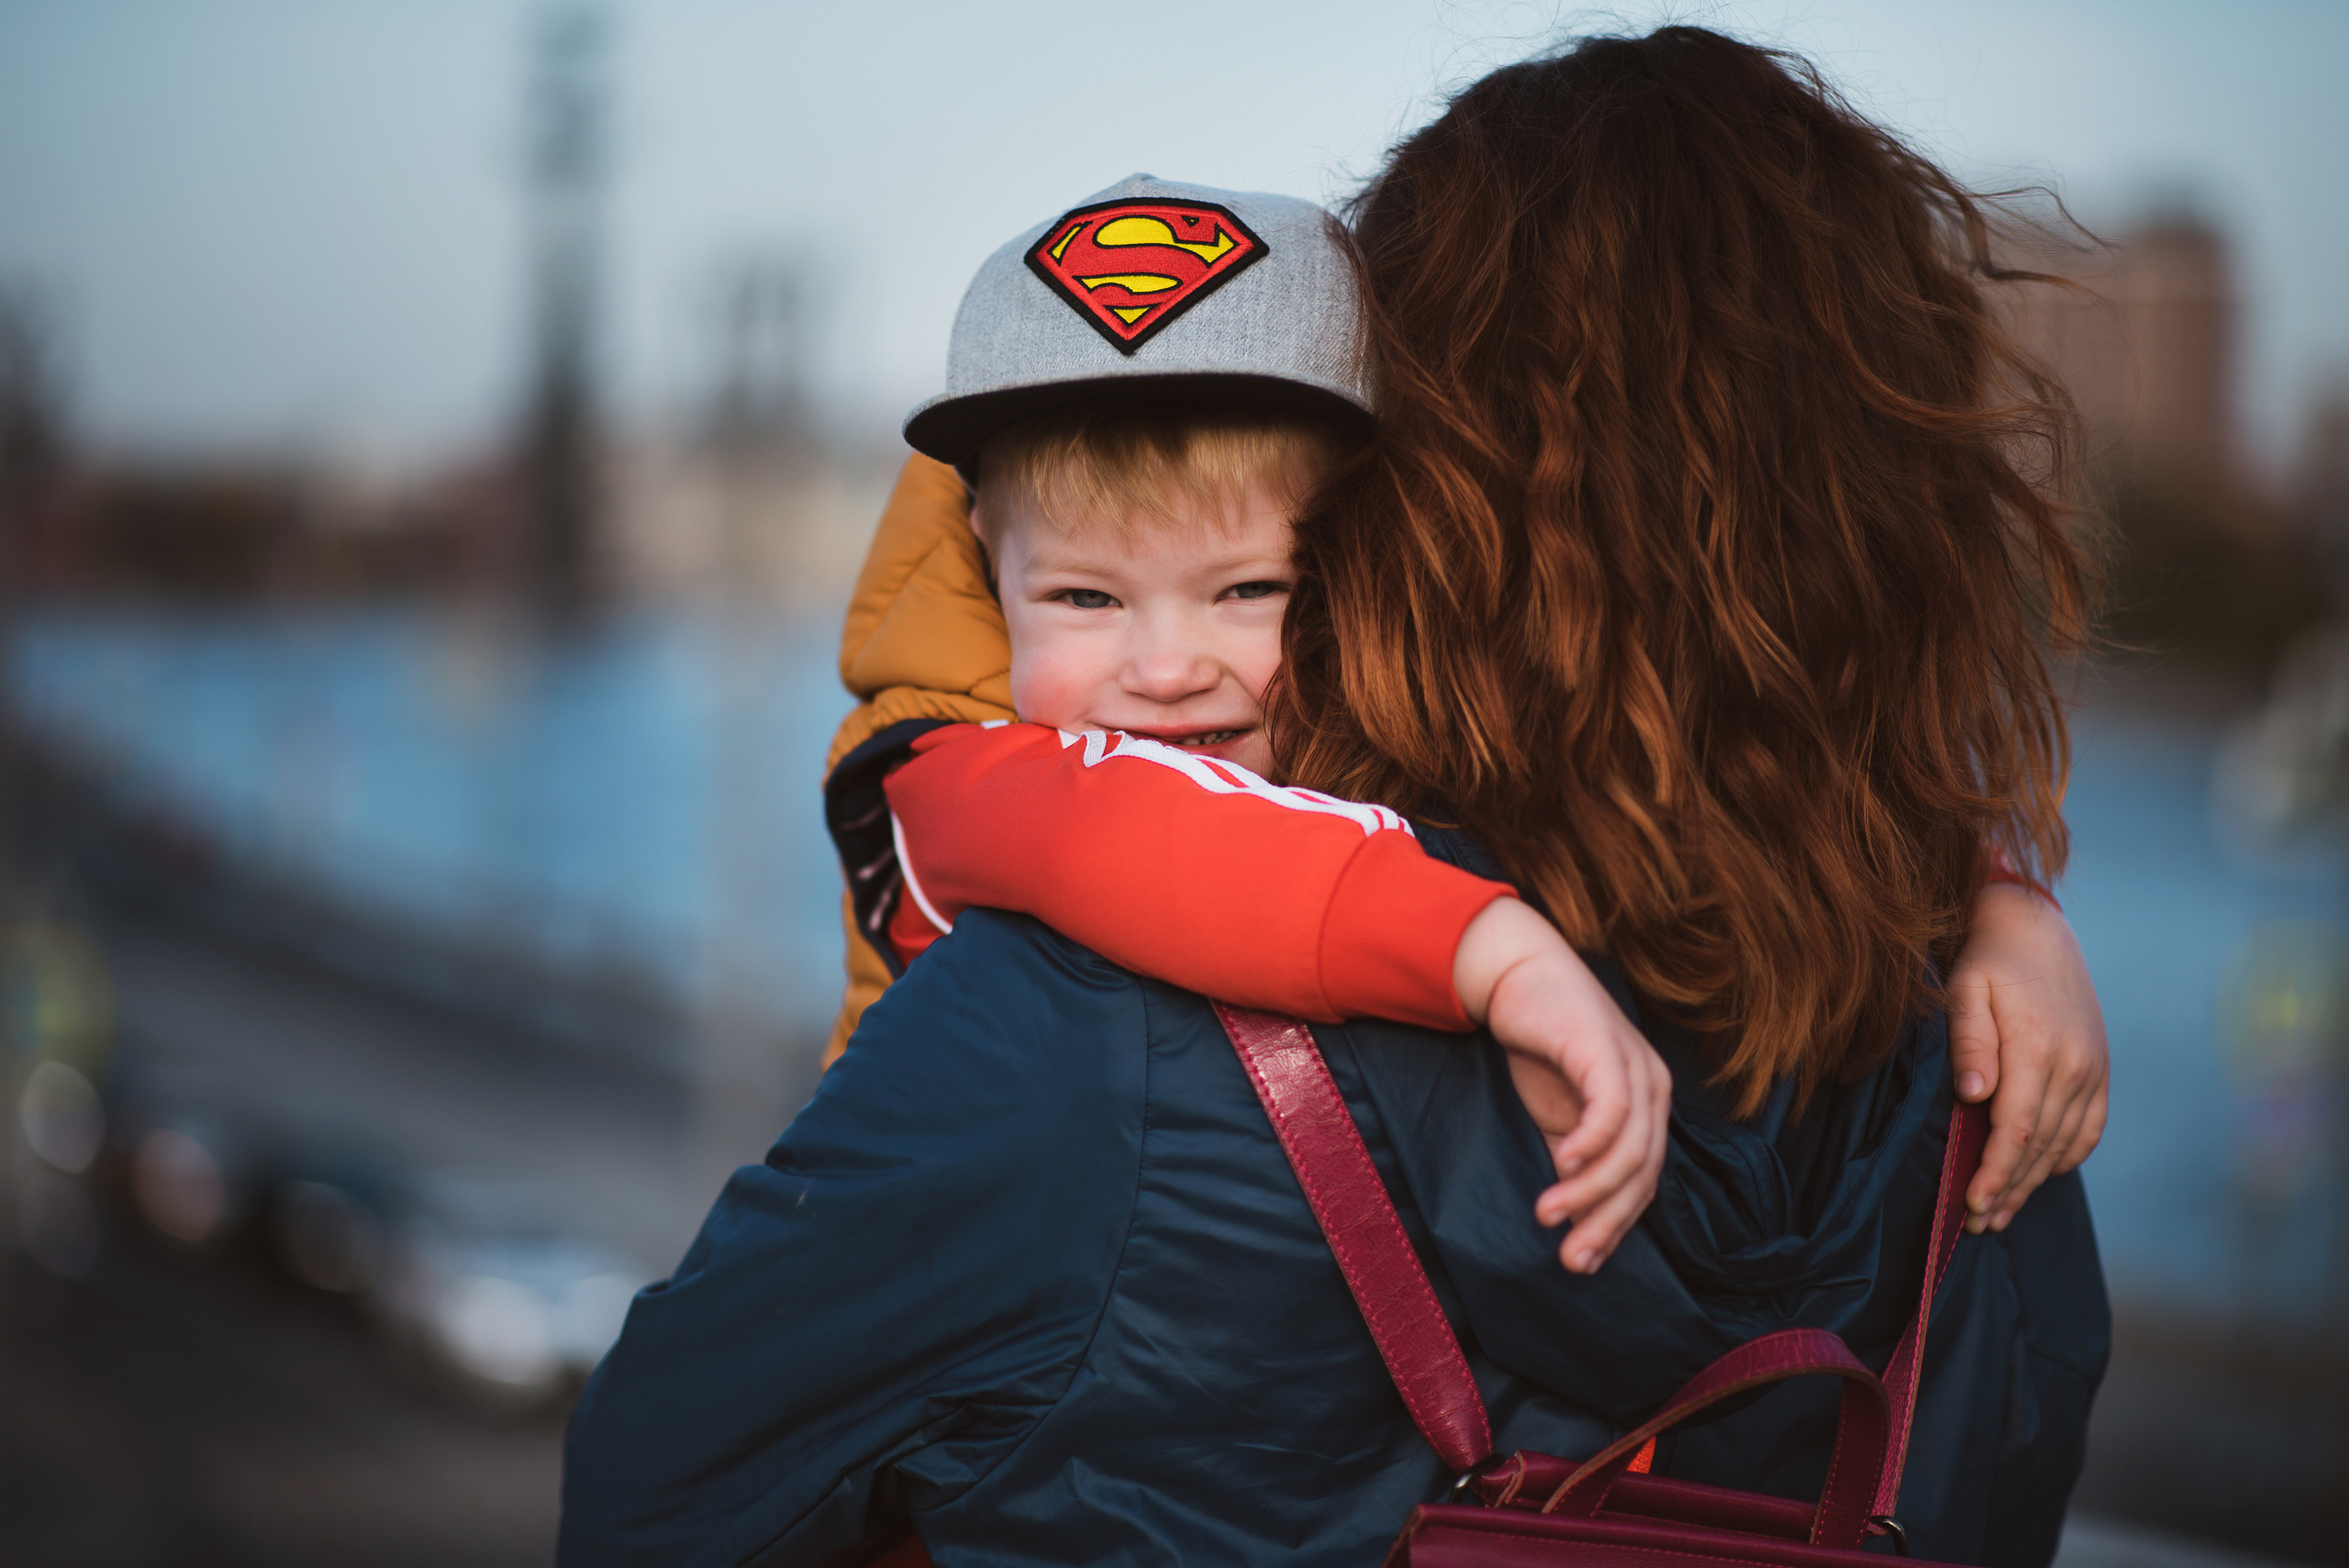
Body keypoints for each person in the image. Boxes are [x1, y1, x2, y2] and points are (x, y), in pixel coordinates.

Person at [562, 29, 2107, 1568]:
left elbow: (654, 1495)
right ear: (1904, 527)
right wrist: (1992, 886)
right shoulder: (2008, 1130)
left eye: (1247, 582)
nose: (1165, 669)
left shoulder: (1077, 1041)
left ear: (1405, 496)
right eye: (1094, 596)